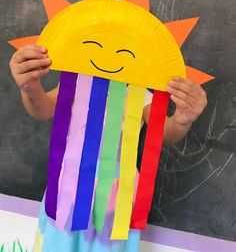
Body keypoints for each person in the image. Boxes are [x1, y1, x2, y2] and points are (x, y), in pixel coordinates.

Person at [9, 44, 207, 252]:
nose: (111, 57)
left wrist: (182, 120)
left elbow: (165, 133)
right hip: (68, 188)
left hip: (115, 196)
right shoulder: (75, 81)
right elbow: (43, 108)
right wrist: (30, 88)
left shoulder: (138, 93)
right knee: (58, 244)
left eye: (124, 51)